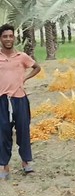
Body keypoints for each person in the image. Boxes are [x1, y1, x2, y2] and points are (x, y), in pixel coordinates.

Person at [0, 24, 41, 179]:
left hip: (20, 99)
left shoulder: (22, 57)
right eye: (5, 36)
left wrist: (24, 78)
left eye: (11, 36)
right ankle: (4, 166)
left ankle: (26, 163)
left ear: (14, 38)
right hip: (2, 101)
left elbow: (37, 67)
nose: (8, 39)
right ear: (0, 39)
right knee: (3, 133)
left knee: (23, 131)